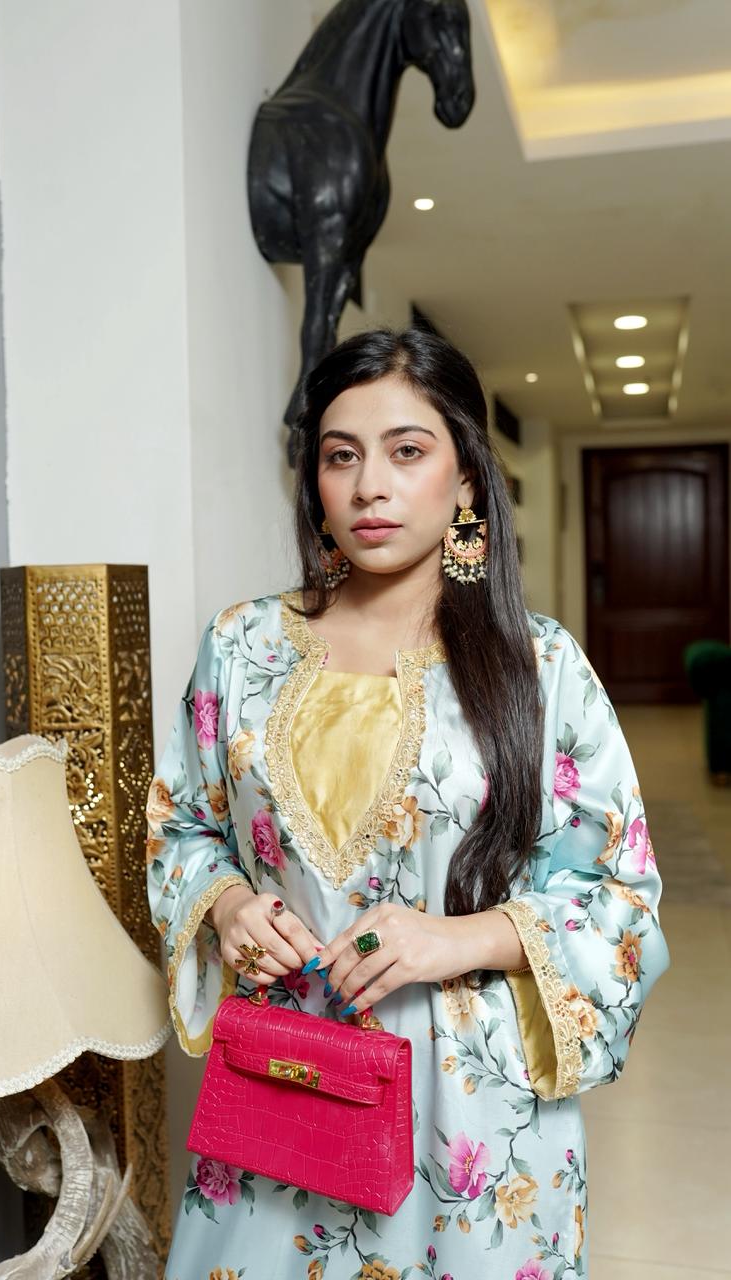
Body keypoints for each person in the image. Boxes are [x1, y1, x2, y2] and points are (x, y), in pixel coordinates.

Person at [146, 327, 670, 1280]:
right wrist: (225, 906)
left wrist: (455, 938)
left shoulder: (537, 667)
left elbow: (619, 897)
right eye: (340, 456)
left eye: (407, 451)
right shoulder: (243, 646)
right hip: (282, 1082)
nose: (368, 487)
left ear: (466, 477)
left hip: (469, 1109)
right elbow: (182, 825)